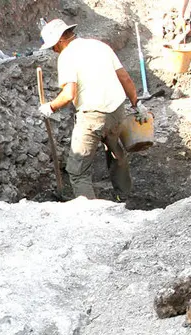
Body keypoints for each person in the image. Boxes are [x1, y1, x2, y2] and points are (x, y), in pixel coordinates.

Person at [37, 19, 142, 200]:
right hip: (117, 111)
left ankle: (91, 216)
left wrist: (50, 107)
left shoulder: (67, 56)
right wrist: (136, 103)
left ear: (61, 40)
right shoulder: (99, 46)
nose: (53, 50)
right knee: (115, 151)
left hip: (93, 116)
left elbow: (69, 93)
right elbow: (125, 78)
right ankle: (124, 196)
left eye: (53, 46)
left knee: (78, 171)